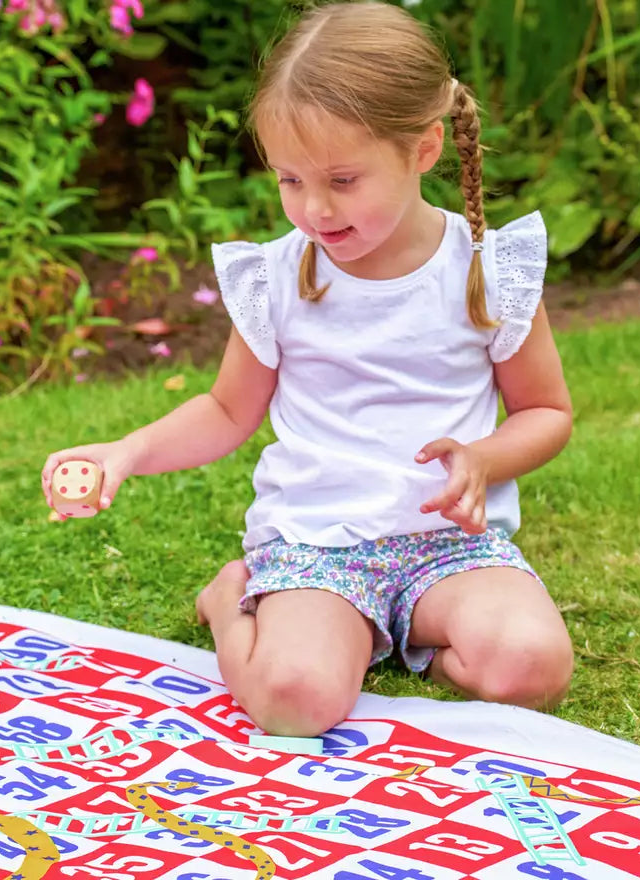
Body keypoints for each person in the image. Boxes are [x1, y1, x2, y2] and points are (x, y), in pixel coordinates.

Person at [43, 0, 575, 737]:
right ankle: (236, 599)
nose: (314, 209)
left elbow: (547, 413)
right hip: (317, 545)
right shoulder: (280, 277)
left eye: (342, 180)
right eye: (290, 181)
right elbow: (229, 411)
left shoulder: (488, 271)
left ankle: (396, 633)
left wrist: (483, 459)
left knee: (530, 668)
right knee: (295, 699)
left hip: (452, 550)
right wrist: (123, 453)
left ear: (422, 149)